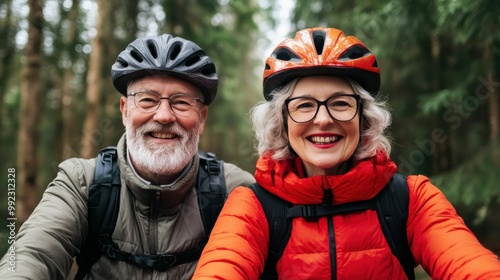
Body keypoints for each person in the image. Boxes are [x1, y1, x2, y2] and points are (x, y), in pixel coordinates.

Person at [192, 27, 500, 279]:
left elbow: (472, 266)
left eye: (341, 103)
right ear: (281, 123)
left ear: (364, 118)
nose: (323, 119)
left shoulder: (412, 198)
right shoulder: (252, 206)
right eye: (304, 106)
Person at [0, 34, 255, 279]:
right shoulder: (81, 183)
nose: (164, 116)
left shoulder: (235, 191)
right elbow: (32, 255)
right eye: (147, 100)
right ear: (125, 111)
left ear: (202, 119)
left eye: (181, 102)